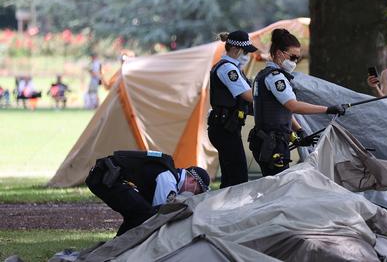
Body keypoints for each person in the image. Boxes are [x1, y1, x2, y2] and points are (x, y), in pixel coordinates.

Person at [250, 28, 347, 176]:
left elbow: (281, 110)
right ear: (278, 53)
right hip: (272, 144)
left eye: (298, 58)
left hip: (267, 141)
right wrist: (328, 109)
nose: (295, 62)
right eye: (293, 57)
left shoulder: (263, 75)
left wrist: (299, 131)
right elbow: (293, 106)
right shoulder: (276, 78)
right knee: (279, 190)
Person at [85, 150, 210, 236]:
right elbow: (160, 217)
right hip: (105, 178)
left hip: (104, 175)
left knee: (138, 215)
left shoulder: (169, 175)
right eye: (197, 191)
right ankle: (121, 250)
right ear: (193, 181)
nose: (194, 195)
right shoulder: (168, 180)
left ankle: (117, 248)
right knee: (147, 216)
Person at [208, 30, 257, 188]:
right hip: (224, 128)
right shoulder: (229, 69)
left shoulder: (232, 67)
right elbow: (248, 95)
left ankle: (223, 210)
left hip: (227, 127)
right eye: (246, 52)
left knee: (230, 177)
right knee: (238, 177)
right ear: (236, 50)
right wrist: (269, 103)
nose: (247, 56)